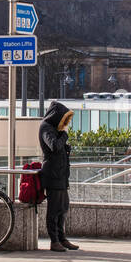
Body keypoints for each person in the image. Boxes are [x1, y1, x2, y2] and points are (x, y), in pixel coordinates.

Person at [39, 100, 77, 252]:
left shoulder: (54, 129)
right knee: (54, 210)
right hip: (53, 175)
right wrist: (64, 138)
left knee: (63, 208)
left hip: (61, 175)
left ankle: (62, 238)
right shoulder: (46, 128)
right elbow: (54, 146)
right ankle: (54, 240)